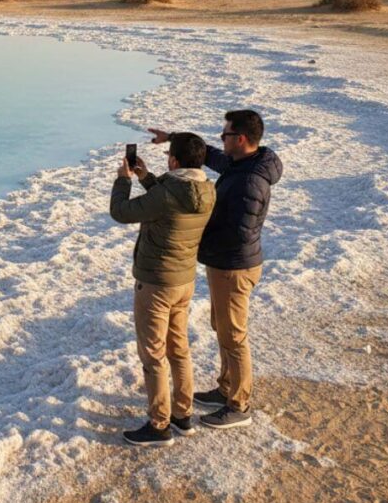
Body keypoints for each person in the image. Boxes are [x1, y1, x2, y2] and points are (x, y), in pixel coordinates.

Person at [148, 110, 282, 430]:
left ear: (242, 139)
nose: (221, 141)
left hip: (233, 266)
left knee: (234, 335)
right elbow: (212, 157)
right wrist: (174, 139)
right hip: (225, 263)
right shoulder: (243, 163)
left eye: (225, 135)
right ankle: (225, 389)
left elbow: (237, 230)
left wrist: (194, 230)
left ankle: (239, 403)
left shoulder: (249, 180)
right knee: (223, 328)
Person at [109, 133, 216, 447]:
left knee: (153, 355)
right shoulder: (207, 191)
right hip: (184, 281)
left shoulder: (169, 194)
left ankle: (159, 426)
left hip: (156, 284)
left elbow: (121, 212)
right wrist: (146, 177)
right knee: (178, 349)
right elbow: (172, 201)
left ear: (174, 160)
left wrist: (123, 180)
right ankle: (182, 415)